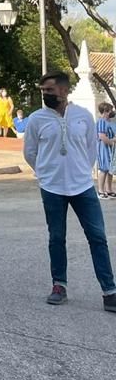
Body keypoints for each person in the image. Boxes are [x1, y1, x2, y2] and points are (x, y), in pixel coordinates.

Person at [24, 71, 116, 312]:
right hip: (52, 188)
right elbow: (30, 152)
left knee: (97, 237)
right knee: (56, 237)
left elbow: (90, 150)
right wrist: (45, 174)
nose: (45, 95)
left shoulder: (83, 116)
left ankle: (109, 291)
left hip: (83, 187)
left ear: (64, 91)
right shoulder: (36, 119)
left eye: (50, 91)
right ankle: (59, 285)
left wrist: (79, 172)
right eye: (43, 91)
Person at [96, 103, 115, 199]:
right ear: (105, 111)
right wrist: (112, 142)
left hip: (111, 149)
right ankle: (100, 190)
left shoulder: (110, 122)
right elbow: (102, 136)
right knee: (103, 169)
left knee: (110, 169)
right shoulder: (101, 122)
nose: (112, 111)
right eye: (110, 110)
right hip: (103, 148)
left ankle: (109, 190)